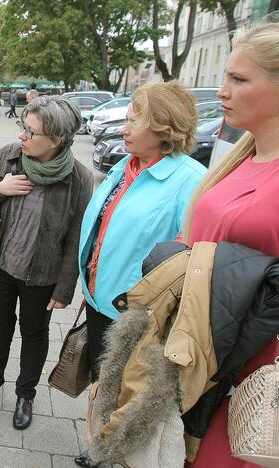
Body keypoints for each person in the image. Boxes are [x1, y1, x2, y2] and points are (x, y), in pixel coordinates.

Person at [74, 81, 207, 466]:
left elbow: (187, 257)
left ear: (165, 127)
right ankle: (102, 444)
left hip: (141, 315)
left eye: (136, 121)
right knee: (104, 382)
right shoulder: (126, 166)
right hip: (101, 298)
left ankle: (115, 451)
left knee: (131, 393)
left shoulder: (190, 181)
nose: (124, 128)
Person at [178, 21, 279, 468]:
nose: (222, 91)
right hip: (201, 358)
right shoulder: (241, 155)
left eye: (239, 79)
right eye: (225, 76)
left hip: (257, 374)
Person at [0, 95, 93, 429]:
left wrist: (65, 287)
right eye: (23, 127)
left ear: (56, 140)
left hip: (41, 275)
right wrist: (1, 188)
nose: (22, 137)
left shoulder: (79, 179)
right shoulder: (9, 156)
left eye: (32, 132)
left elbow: (77, 237)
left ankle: (26, 393)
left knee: (34, 333)